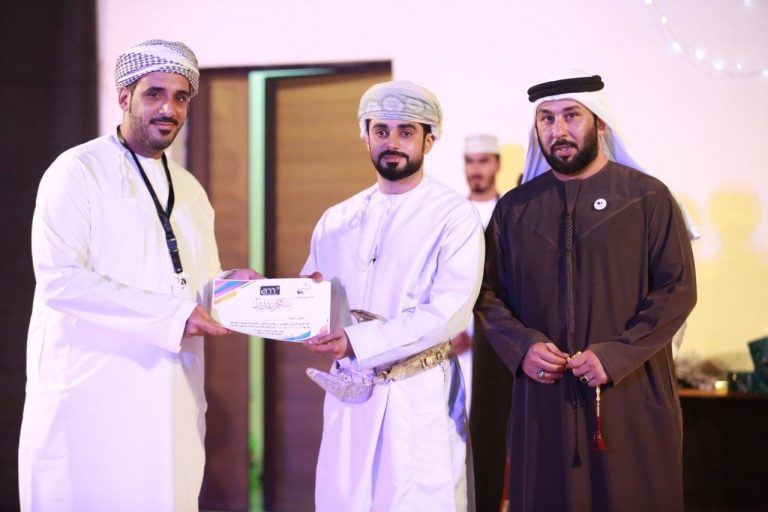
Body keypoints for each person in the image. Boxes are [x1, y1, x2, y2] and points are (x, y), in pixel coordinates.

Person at [18, 39, 258, 511]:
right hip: (92, 399)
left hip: (170, 400)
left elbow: (196, 281)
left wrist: (234, 288)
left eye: (181, 97)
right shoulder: (77, 171)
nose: (169, 109)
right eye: (155, 94)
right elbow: (61, 280)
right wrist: (174, 315)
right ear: (124, 96)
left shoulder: (190, 189)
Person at [474, 71, 696, 511]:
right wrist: (523, 347)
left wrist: (613, 356)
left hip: (631, 392)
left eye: (571, 116)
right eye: (547, 119)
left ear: (600, 122)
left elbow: (677, 289)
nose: (558, 130)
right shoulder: (514, 210)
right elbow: (486, 294)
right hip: (543, 400)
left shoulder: (647, 198)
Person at [301, 80, 484, 511]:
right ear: (364, 135)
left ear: (429, 140)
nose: (392, 143)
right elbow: (312, 293)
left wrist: (357, 341)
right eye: (381, 131)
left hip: (416, 396)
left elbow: (449, 310)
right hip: (349, 396)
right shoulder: (336, 219)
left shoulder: (453, 214)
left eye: (406, 132)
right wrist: (262, 297)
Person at [452, 134, 502, 411]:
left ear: (497, 164)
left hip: (496, 336)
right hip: (456, 339)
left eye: (483, 161)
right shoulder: (452, 217)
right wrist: (451, 330)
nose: (476, 169)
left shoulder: (510, 215)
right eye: (470, 162)